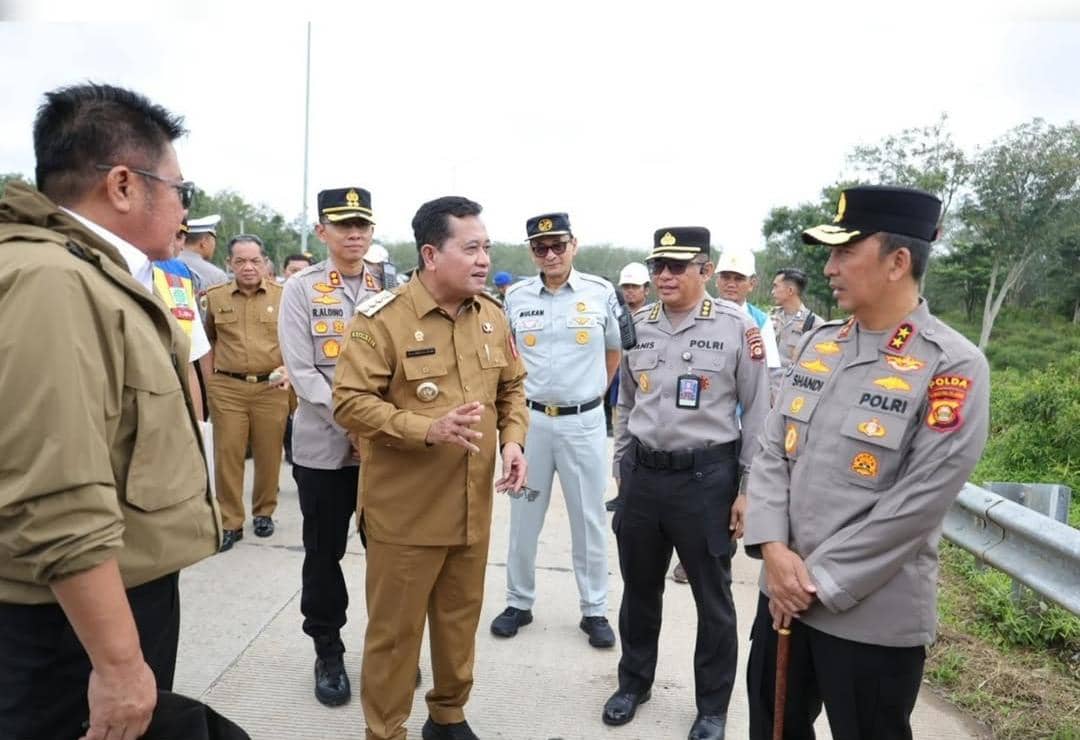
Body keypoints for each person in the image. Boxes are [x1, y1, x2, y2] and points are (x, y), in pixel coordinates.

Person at [0, 82, 220, 740]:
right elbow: (57, 494)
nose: (185, 207)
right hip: (69, 630)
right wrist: (120, 665)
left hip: (104, 606)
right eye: (180, 188)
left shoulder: (92, 276)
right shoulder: (53, 283)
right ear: (123, 184)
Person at [744, 186, 990, 740]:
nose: (828, 268)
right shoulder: (821, 343)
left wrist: (814, 582)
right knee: (772, 729)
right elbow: (770, 450)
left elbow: (919, 503)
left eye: (844, 252)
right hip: (781, 598)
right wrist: (775, 553)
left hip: (869, 619)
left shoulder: (952, 365)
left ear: (898, 261)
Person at [333, 195, 529, 740]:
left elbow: (512, 387)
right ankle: (386, 730)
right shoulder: (384, 320)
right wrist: (427, 428)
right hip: (407, 514)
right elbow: (348, 401)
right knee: (395, 637)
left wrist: (512, 441)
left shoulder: (490, 315)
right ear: (430, 253)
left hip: (471, 507)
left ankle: (447, 716)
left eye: (486, 247)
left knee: (459, 623)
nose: (484, 258)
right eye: (471, 248)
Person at [604, 227, 768, 740]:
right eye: (658, 267)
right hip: (644, 478)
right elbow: (627, 400)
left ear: (705, 269)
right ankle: (633, 682)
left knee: (712, 600)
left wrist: (747, 489)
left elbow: (761, 412)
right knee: (639, 590)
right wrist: (621, 464)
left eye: (677, 266)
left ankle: (712, 707)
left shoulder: (736, 327)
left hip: (707, 480)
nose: (665, 276)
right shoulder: (639, 324)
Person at [490, 212, 621, 650]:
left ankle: (594, 609)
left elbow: (613, 353)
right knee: (524, 516)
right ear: (531, 251)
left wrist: (592, 396)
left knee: (589, 519)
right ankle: (518, 601)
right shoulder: (517, 297)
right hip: (531, 424)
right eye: (540, 247)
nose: (549, 254)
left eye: (558, 245)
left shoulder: (601, 294)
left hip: (583, 423)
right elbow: (507, 360)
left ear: (574, 245)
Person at [278, 186, 383, 706]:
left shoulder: (394, 286)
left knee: (389, 553)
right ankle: (328, 649)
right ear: (323, 231)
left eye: (362, 224)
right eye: (343, 224)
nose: (354, 233)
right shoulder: (301, 289)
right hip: (324, 448)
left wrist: (381, 427)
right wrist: (357, 424)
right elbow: (302, 372)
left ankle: (387, 651)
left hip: (384, 451)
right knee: (325, 552)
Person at [667, 246, 783, 585]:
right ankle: (689, 557)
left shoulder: (759, 323)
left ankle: (718, 554)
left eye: (739, 279)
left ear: (752, 283)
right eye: (726, 278)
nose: (731, 285)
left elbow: (770, 379)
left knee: (726, 502)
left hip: (737, 428)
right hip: (698, 427)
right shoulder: (697, 314)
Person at [204, 234, 291, 551]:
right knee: (228, 454)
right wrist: (211, 382)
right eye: (240, 261)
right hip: (228, 387)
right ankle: (230, 521)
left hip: (271, 387)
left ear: (265, 262)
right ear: (229, 264)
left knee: (270, 454)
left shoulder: (284, 296)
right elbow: (208, 341)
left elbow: (294, 340)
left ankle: (264, 512)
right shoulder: (214, 297)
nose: (248, 267)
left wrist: (287, 372)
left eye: (255, 260)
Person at [605, 260, 651, 509]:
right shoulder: (614, 315)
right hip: (619, 388)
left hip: (646, 390)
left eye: (634, 286)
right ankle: (622, 492)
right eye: (626, 287)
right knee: (621, 437)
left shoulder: (656, 318)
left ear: (646, 289)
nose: (629, 291)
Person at [770, 267, 821, 372]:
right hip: (765, 384)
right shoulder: (768, 317)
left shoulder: (814, 324)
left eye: (776, 286)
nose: (772, 292)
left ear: (790, 290)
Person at [180, 213, 228, 292]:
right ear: (204, 242)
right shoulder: (217, 276)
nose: (214, 245)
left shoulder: (162, 265)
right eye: (213, 239)